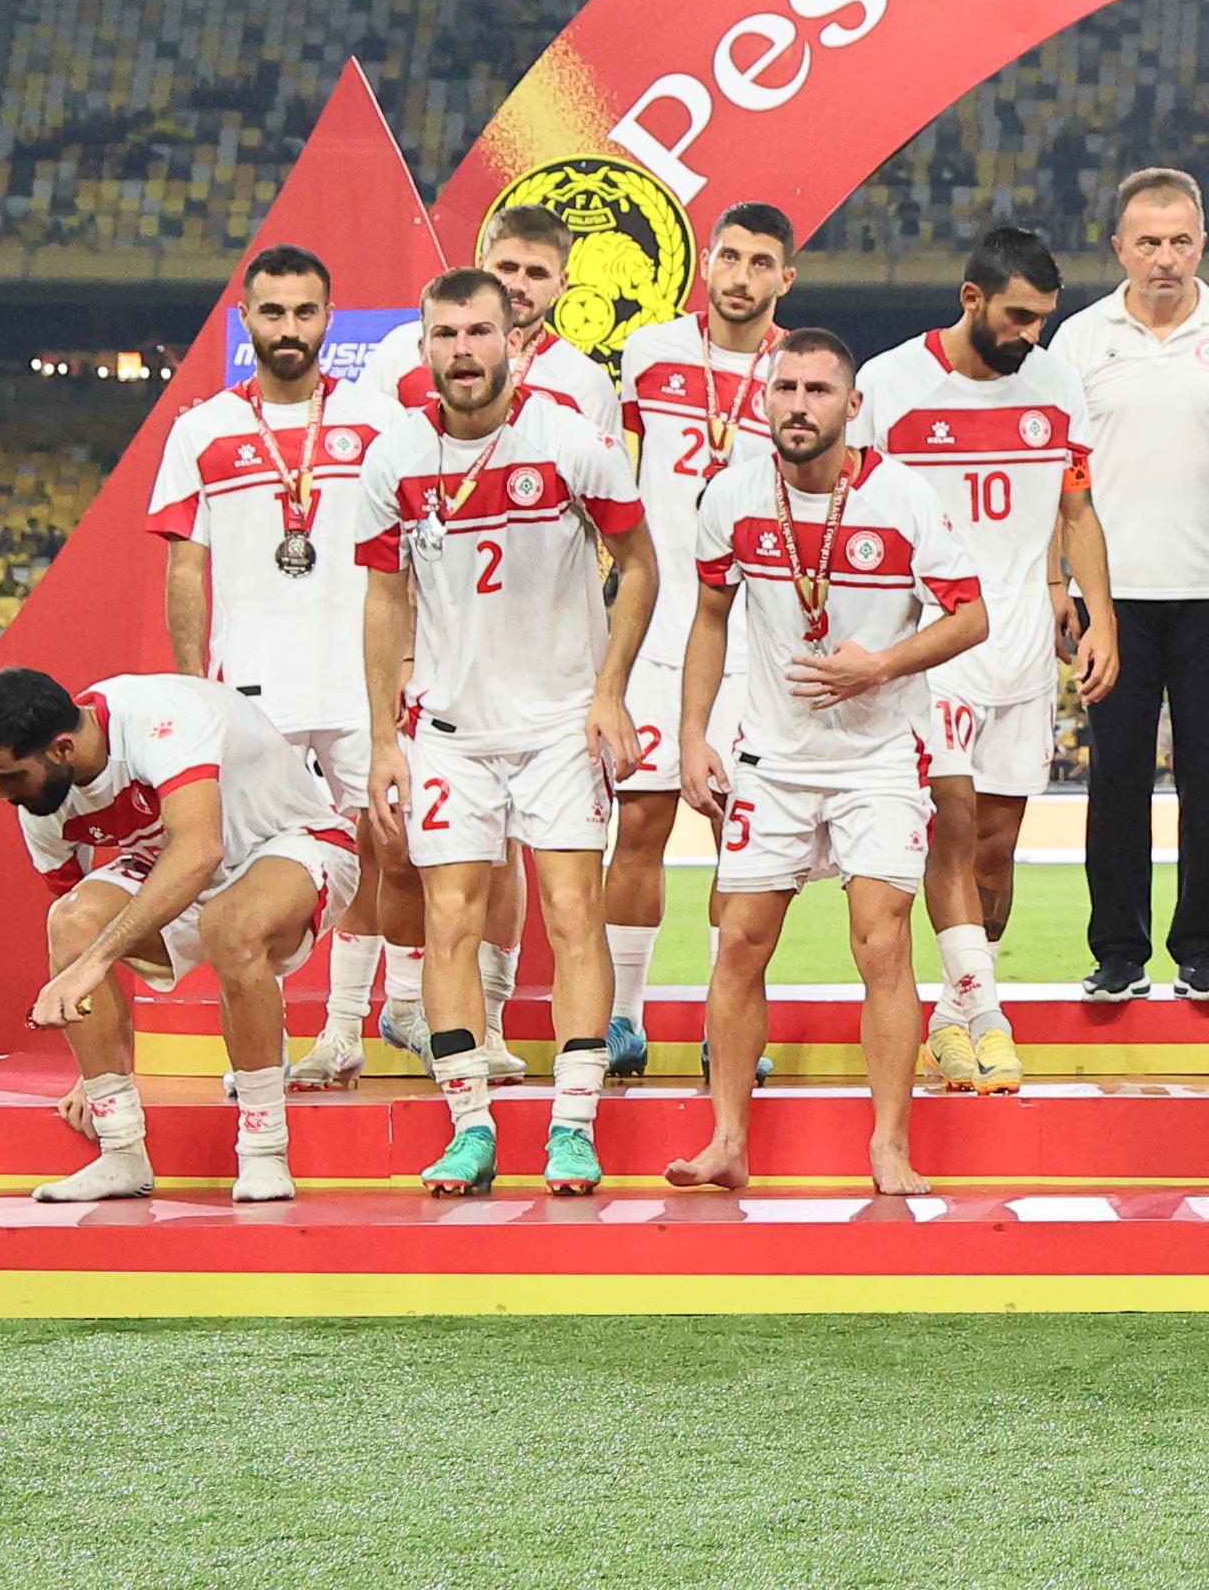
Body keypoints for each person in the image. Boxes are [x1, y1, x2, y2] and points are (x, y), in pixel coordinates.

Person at [350, 267, 657, 1197]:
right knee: (449, 919)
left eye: (479, 332)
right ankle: (470, 1126)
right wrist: (383, 737)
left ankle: (573, 1126)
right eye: (445, 335)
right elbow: (384, 597)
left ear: (514, 342)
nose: (462, 351)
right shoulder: (394, 458)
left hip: (561, 722)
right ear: (423, 346)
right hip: (449, 728)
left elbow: (640, 565)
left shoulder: (572, 441)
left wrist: (610, 691)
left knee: (572, 912)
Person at [665, 332, 987, 1199]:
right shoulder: (733, 496)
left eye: (817, 390)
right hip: (772, 757)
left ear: (853, 405)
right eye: (785, 388)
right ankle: (727, 1140)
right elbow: (709, 618)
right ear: (765, 399)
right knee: (739, 941)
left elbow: (972, 617)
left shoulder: (902, 497)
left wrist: (880, 666)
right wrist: (693, 735)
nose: (798, 405)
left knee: (881, 942)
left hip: (879, 756)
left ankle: (889, 1145)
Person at [856, 226, 1120, 1096]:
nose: (1031, 335)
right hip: (934, 644)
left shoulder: (1055, 383)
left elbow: (1076, 510)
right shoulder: (890, 385)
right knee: (953, 828)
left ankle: (952, 1018)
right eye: (1017, 316)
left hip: (1023, 648)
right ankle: (991, 1021)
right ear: (971, 298)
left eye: (1043, 318)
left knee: (998, 850)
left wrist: (1101, 616)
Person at [0, 668, 363, 1204]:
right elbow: (79, 925)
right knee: (71, 921)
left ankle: (265, 1148)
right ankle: (121, 1151)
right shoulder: (43, 798)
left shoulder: (157, 717)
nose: (0, 795)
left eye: (9, 776)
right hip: (179, 871)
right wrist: (98, 1065)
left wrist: (92, 965)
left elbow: (200, 849)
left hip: (293, 844)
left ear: (62, 748)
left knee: (229, 925)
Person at [150, 242, 393, 1088]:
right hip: (252, 689)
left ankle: (346, 1028)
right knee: (249, 866)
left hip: (361, 679)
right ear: (245, 318)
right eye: (273, 311)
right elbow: (186, 569)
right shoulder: (202, 429)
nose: (290, 327)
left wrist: (406, 662)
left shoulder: (378, 421)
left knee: (382, 848)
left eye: (305, 311)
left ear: (329, 319)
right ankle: (265, 1044)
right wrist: (197, 694)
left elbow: (405, 554)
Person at [1058, 168, 1209, 1001]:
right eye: (1148, 242)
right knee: (1115, 773)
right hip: (1112, 596)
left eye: (1181, 241)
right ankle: (1118, 951)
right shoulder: (1080, 341)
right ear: (1119, 247)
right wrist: (1059, 584)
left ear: (1203, 244)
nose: (1165, 258)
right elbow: (1058, 477)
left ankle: (1202, 948)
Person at [608, 199, 797, 1075]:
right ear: (707, 263)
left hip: (757, 639)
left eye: (760, 262)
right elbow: (618, 481)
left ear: (785, 277)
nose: (741, 276)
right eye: (729, 257)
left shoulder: (798, 371)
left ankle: (729, 1024)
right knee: (640, 824)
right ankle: (621, 1017)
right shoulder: (648, 353)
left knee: (743, 840)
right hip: (657, 628)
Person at [356, 201, 620, 443]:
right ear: (480, 265)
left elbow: (602, 475)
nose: (518, 285)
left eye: (536, 274)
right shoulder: (401, 349)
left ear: (561, 284)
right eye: (507, 268)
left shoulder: (585, 383)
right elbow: (365, 451)